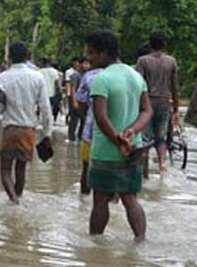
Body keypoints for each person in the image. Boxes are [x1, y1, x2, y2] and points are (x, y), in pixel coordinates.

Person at [86, 30, 152, 242]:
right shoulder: (136, 76)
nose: (90, 58)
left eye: (93, 53)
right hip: (133, 148)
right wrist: (132, 132)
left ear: (105, 53)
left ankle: (95, 246)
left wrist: (117, 140)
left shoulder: (101, 79)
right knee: (130, 198)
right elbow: (147, 111)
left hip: (106, 151)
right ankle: (140, 240)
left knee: (100, 201)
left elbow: (101, 118)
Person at [0, 42, 53, 204]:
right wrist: (47, 133)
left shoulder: (2, 78)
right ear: (27, 56)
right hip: (28, 130)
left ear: (10, 57)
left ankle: (13, 201)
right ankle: (17, 199)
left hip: (10, 129)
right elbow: (45, 108)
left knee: (5, 170)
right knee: (21, 169)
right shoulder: (37, 77)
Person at [136, 31, 179, 177]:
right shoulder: (171, 61)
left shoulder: (143, 61)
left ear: (150, 43)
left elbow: (138, 84)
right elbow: (175, 87)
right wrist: (176, 108)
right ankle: (162, 166)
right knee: (161, 138)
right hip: (165, 102)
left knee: (145, 139)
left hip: (147, 103)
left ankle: (145, 173)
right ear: (164, 44)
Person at [76, 66, 103, 194]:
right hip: (116, 135)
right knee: (112, 174)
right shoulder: (126, 76)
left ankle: (83, 203)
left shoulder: (89, 76)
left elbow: (80, 102)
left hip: (90, 131)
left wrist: (88, 115)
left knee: (86, 168)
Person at [39, 56, 62, 123]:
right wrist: (59, 92)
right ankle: (51, 120)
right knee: (51, 108)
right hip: (52, 93)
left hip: (42, 94)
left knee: (42, 108)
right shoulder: (54, 71)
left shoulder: (39, 72)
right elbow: (57, 83)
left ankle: (42, 120)